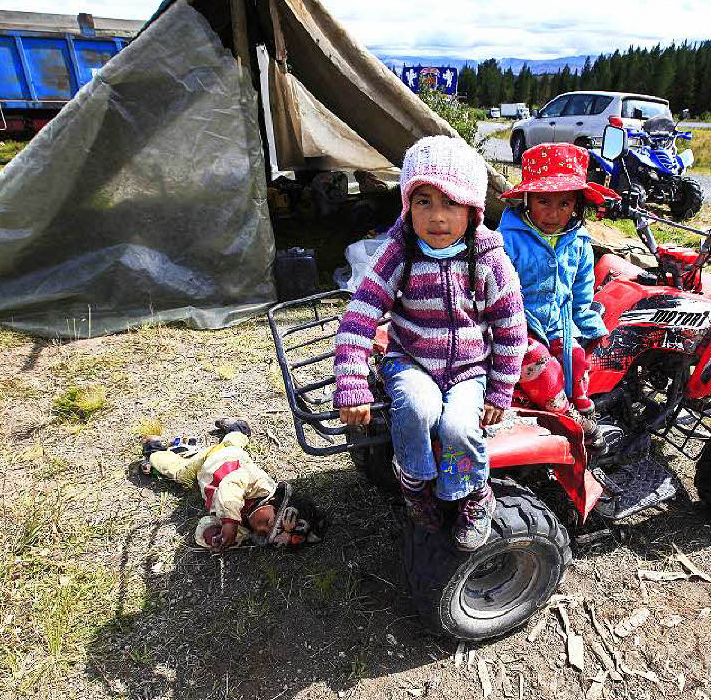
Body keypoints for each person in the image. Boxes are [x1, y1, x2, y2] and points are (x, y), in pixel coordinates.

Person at [333, 135, 527, 551]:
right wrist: (351, 382)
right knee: (416, 410)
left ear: (473, 208)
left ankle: (473, 493)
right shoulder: (397, 254)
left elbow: (511, 326)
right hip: (411, 360)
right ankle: (416, 486)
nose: (437, 217)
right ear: (407, 204)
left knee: (459, 427)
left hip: (469, 369)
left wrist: (500, 388)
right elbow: (358, 317)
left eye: (451, 203)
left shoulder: (489, 258)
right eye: (423, 200)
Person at [498, 143, 618, 450]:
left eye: (564, 204)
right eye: (543, 201)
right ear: (526, 199)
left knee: (577, 358)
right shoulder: (507, 240)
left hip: (556, 322)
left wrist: (588, 323)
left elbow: (581, 289)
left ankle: (581, 405)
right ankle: (569, 419)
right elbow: (496, 291)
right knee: (538, 363)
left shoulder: (579, 242)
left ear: (577, 205)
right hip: (516, 325)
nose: (553, 213)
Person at [141, 418, 326, 551]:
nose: (260, 528)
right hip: (224, 456)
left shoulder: (243, 529)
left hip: (201, 470)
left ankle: (155, 452)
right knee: (232, 443)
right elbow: (230, 484)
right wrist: (230, 521)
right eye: (269, 522)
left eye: (264, 534)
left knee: (180, 472)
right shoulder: (262, 487)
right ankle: (238, 429)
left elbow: (204, 524)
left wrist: (216, 536)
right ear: (274, 501)